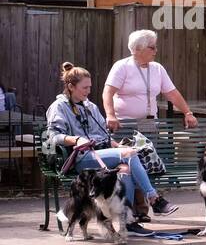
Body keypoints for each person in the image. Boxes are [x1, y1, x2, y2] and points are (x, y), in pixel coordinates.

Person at [46, 63, 176, 227]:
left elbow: (104, 136)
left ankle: (125, 221)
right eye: (84, 88)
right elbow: (53, 136)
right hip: (80, 159)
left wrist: (117, 146)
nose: (88, 91)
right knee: (128, 154)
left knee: (126, 169)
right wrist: (76, 140)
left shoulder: (90, 107)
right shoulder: (58, 107)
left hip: (100, 155)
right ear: (71, 86)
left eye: (90, 87)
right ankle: (154, 198)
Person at [103, 29, 197, 133]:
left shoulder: (157, 68)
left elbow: (172, 93)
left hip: (149, 124)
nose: (156, 50)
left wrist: (188, 113)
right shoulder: (122, 66)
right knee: (128, 150)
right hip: (124, 123)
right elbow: (108, 93)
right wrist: (110, 115)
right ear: (138, 48)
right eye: (152, 47)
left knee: (151, 149)